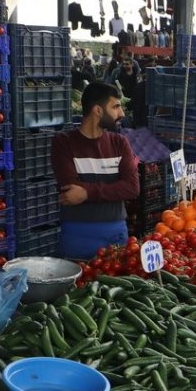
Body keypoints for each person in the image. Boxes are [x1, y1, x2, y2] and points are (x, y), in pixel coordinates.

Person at [51, 82, 140, 260]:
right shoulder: (64, 142)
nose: (121, 113)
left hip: (116, 233)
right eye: (115, 106)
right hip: (77, 235)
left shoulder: (119, 143)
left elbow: (132, 188)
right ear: (98, 110)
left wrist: (87, 193)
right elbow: (71, 191)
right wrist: (113, 189)